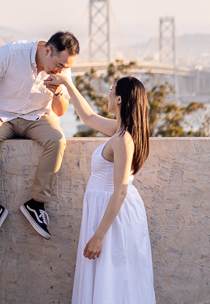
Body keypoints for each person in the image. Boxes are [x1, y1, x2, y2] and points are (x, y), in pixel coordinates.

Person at [43, 72, 156, 304]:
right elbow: (87, 116)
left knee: (115, 281)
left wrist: (99, 236)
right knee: (108, 280)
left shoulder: (123, 139)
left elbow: (121, 190)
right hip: (104, 209)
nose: (108, 92)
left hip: (113, 216)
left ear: (119, 100)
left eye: (112, 88)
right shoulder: (119, 130)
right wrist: (66, 83)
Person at [0, 31, 79, 241]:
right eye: (59, 64)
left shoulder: (62, 70)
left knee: (57, 140)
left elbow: (60, 110)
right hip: (2, 114)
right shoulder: (12, 52)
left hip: (37, 117)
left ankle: (36, 204)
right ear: (47, 50)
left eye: (66, 66)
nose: (62, 69)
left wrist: (58, 91)